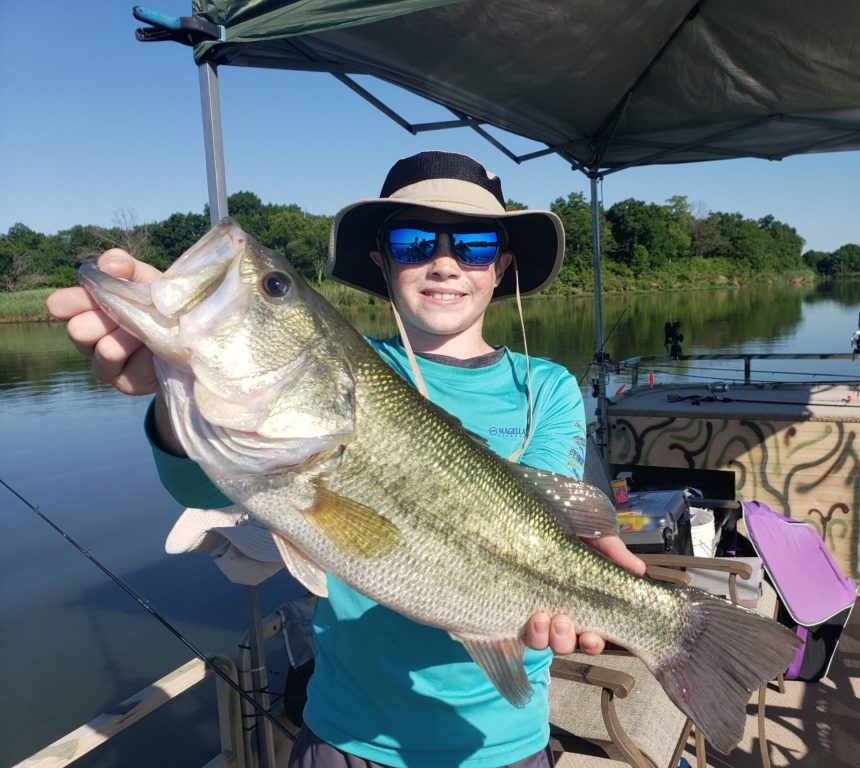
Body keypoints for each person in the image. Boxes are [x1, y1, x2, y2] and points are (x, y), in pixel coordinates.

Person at [47, 150, 645, 767]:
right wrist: (175, 395)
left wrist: (605, 588)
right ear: (383, 262)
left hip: (504, 743)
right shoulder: (356, 370)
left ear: (502, 265)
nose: (444, 262)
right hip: (346, 735)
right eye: (414, 242)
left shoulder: (546, 388)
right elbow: (196, 489)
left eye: (473, 242)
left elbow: (544, 509)